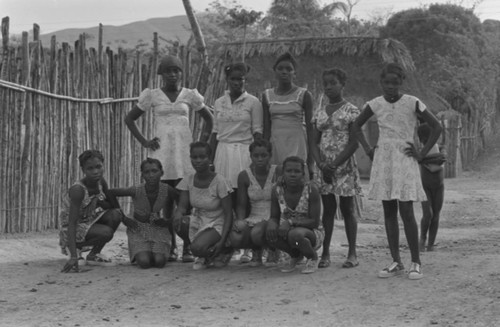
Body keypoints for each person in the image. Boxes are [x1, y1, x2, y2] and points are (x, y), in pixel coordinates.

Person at [353, 62, 442, 280]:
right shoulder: (375, 104)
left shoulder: (413, 102)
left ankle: (416, 262)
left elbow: (436, 126)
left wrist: (422, 153)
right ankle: (396, 261)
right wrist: (367, 148)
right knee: (389, 212)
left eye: (395, 82)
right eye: (386, 82)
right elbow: (355, 126)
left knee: (407, 211)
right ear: (381, 83)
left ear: (401, 82)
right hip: (384, 159)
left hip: (404, 158)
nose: (390, 86)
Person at [125, 55, 213, 263]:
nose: (172, 74)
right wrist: (145, 142)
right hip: (162, 152)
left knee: (185, 199)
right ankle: (171, 245)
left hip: (184, 152)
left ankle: (188, 247)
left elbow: (209, 119)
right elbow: (129, 118)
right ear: (161, 75)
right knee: (164, 199)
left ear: (182, 73)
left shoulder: (190, 96)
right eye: (168, 71)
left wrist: (200, 144)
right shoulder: (153, 96)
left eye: (176, 70)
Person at [310, 68, 362, 269]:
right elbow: (313, 142)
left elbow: (354, 143)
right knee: (328, 210)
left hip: (344, 166)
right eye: (326, 84)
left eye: (333, 83)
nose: (329, 87)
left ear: (343, 84)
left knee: (348, 208)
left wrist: (335, 163)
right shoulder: (320, 113)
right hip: (324, 169)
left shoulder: (352, 111)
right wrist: (321, 164)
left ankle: (352, 253)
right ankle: (326, 253)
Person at [211, 62, 263, 263]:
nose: (237, 82)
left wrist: (256, 160)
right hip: (223, 152)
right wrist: (210, 158)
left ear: (245, 80)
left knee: (246, 198)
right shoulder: (218, 102)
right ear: (227, 80)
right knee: (227, 199)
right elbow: (215, 132)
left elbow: (257, 130)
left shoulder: (253, 102)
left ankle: (250, 248)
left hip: (244, 151)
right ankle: (229, 245)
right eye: (233, 78)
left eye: (241, 79)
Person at [173, 142, 234, 270]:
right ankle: (206, 253)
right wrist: (178, 214)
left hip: (218, 221)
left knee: (196, 248)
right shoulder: (188, 180)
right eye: (194, 157)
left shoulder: (220, 181)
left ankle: (224, 249)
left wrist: (223, 240)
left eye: (202, 157)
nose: (198, 161)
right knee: (179, 223)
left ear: (210, 158)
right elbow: (182, 206)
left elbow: (229, 213)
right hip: (200, 218)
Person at [60, 150, 122, 273]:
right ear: (83, 169)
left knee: (116, 215)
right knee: (106, 233)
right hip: (72, 228)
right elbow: (71, 223)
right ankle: (74, 250)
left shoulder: (101, 182)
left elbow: (113, 204)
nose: (95, 171)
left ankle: (94, 255)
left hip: (89, 220)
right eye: (90, 168)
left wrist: (101, 203)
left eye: (98, 167)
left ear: (103, 165)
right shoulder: (78, 190)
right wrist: (73, 257)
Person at [109, 158, 175, 269]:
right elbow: (111, 193)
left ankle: (159, 252)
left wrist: (169, 220)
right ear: (142, 175)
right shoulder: (136, 190)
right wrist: (123, 218)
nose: (151, 175)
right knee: (145, 262)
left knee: (159, 262)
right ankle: (146, 251)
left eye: (154, 171)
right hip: (138, 228)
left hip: (158, 228)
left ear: (161, 173)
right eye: (147, 172)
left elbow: (183, 201)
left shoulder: (167, 189)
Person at [266, 156, 323, 274]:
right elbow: (274, 216)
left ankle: (312, 257)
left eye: (297, 171)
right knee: (266, 232)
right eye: (289, 171)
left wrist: (291, 222)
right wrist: (271, 224)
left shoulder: (311, 190)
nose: (293, 174)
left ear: (303, 173)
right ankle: (295, 255)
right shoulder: (277, 189)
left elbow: (315, 222)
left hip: (310, 233)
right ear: (283, 173)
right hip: (288, 231)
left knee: (295, 235)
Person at [262, 52, 314, 177]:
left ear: (294, 74)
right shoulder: (266, 95)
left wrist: (311, 160)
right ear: (274, 72)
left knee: (296, 180)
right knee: (277, 181)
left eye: (289, 69)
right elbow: (266, 128)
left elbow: (311, 129)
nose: (284, 72)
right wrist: (265, 154)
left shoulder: (304, 95)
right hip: (275, 144)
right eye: (280, 69)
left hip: (297, 144)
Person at [229, 139, 278, 266]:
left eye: (264, 155)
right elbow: (241, 204)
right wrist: (240, 220)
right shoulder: (244, 176)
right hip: (254, 216)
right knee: (235, 236)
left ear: (270, 156)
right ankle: (256, 251)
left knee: (257, 232)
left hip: (274, 216)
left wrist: (275, 219)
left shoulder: (278, 172)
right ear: (250, 156)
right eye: (256, 156)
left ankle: (273, 250)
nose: (260, 159)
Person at [415, 123, 446, 252]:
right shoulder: (420, 151)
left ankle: (431, 244)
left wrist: (424, 159)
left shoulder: (440, 148)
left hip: (439, 186)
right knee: (428, 214)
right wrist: (424, 158)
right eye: (425, 138)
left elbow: (442, 157)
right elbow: (437, 159)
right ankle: (422, 239)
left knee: (436, 214)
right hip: (425, 187)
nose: (426, 140)